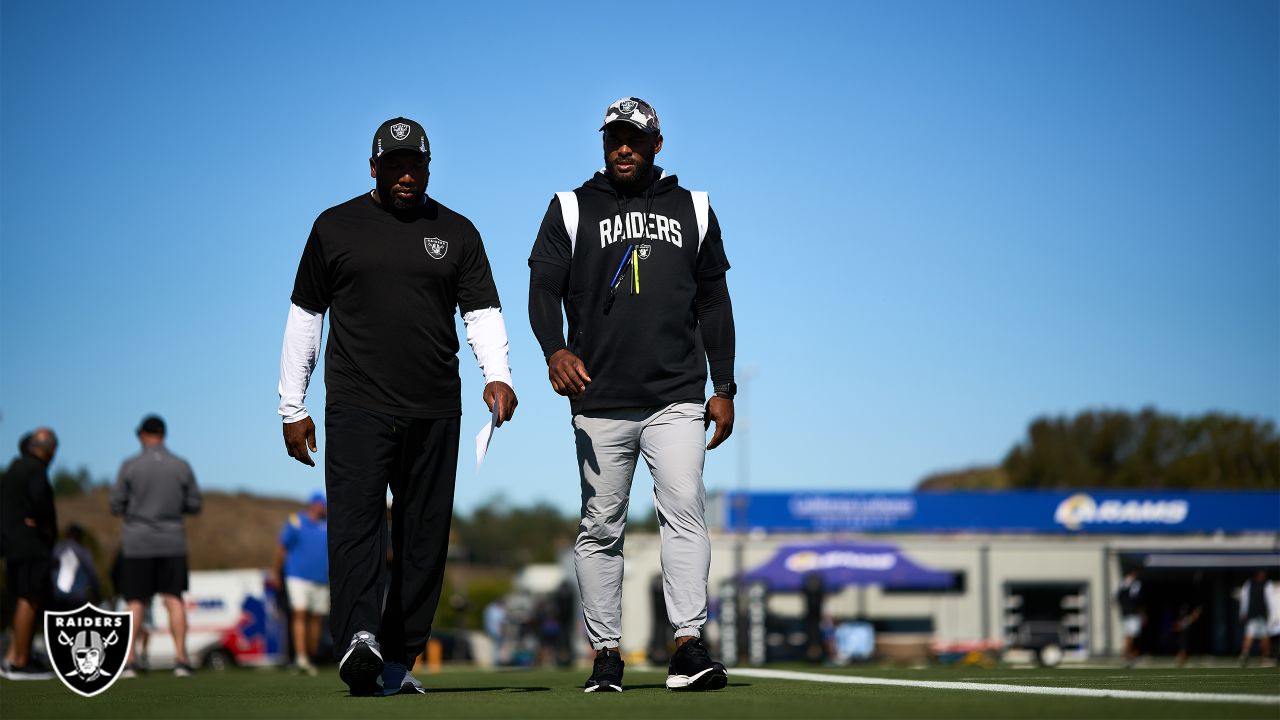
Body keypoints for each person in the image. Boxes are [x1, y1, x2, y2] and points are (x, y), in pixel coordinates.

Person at [278, 116, 517, 696]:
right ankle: (360, 637)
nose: (407, 175)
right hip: (357, 403)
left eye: (417, 165)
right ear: (374, 167)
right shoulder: (334, 227)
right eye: (395, 165)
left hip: (436, 408)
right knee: (358, 524)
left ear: (429, 168)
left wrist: (499, 376)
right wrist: (292, 406)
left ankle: (398, 656)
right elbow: (305, 319)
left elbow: (481, 313)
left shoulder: (457, 231)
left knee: (424, 537)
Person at [527, 97, 736, 692]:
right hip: (600, 397)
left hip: (676, 394)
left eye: (635, 139)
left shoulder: (693, 208)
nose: (623, 147)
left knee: (685, 513)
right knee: (600, 527)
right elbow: (543, 287)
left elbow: (714, 302)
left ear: (656, 144)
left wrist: (723, 385)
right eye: (614, 137)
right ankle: (606, 655)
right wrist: (554, 350)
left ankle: (688, 646)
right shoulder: (570, 207)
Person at [110, 414, 202, 677]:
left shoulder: (130, 466)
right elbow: (195, 504)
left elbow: (115, 504)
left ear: (142, 435)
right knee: (174, 599)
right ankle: (181, 660)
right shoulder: (180, 466)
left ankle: (129, 661)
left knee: (135, 602)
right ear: (163, 434)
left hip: (138, 542)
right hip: (172, 540)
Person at [0, 428, 59, 680]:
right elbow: (41, 505)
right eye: (53, 445)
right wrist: (46, 529)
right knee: (29, 598)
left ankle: (12, 657)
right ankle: (20, 662)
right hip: (29, 545)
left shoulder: (14, 469)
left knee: (23, 598)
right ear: (42, 447)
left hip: (13, 544)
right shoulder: (33, 469)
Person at [272, 491, 329, 675]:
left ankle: (312, 656)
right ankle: (301, 657)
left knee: (317, 619)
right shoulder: (296, 521)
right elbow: (282, 548)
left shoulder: (327, 525)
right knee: (299, 613)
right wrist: (276, 572)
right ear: (313, 505)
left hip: (321, 578)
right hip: (297, 576)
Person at [51, 523, 101, 611]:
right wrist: (97, 595)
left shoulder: (58, 548)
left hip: (58, 595)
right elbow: (92, 576)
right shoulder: (83, 552)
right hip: (78, 597)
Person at [1238, 569, 1277, 667]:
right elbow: (1245, 599)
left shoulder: (1267, 584)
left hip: (1262, 615)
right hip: (1252, 615)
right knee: (1249, 635)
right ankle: (1244, 655)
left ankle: (1265, 657)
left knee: (1264, 637)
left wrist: (1273, 615)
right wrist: (1243, 612)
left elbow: (1271, 601)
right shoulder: (1248, 584)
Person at [1115, 568, 1143, 666]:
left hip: (1128, 613)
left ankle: (1127, 654)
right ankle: (1127, 655)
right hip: (1130, 614)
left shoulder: (1125, 584)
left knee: (1129, 636)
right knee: (1130, 636)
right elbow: (1135, 599)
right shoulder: (1131, 584)